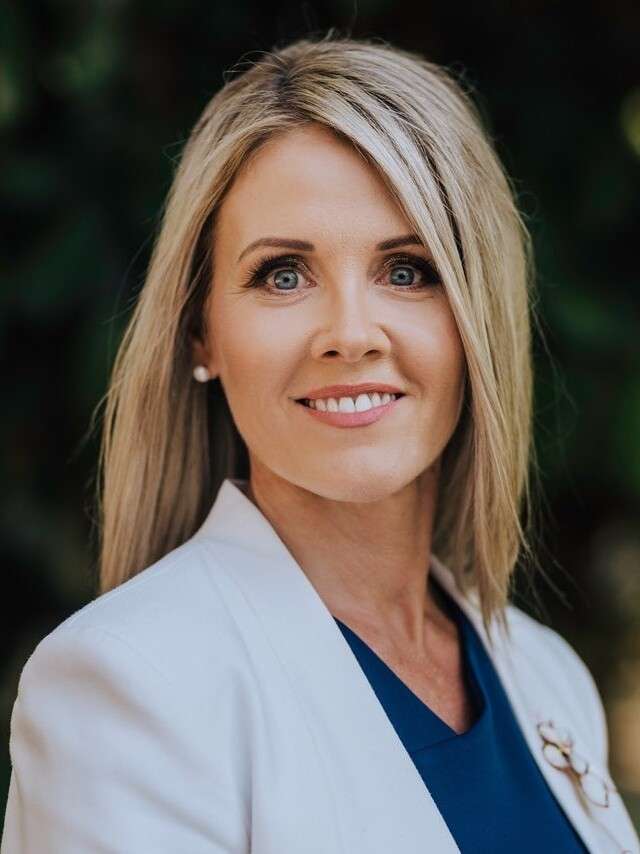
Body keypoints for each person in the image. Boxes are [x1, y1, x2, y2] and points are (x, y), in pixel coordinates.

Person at [2, 34, 638, 854]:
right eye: (283, 275)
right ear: (202, 333)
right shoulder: (123, 685)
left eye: (406, 270)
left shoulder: (549, 674)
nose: (349, 333)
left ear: (477, 316)